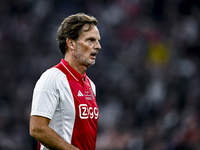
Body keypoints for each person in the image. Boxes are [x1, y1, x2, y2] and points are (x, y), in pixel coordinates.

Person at [29, 13, 101, 150]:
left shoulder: (90, 85)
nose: (98, 46)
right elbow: (36, 128)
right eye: (91, 40)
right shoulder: (52, 78)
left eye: (98, 40)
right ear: (71, 43)